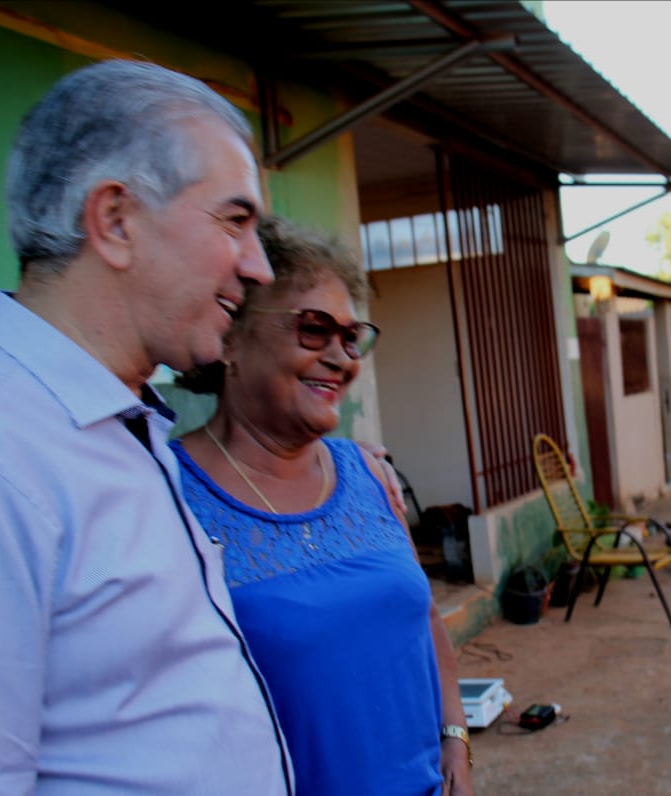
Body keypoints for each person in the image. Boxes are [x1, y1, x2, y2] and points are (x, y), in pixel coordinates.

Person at [0, 60, 292, 793]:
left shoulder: (115, 419)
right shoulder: (11, 448)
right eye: (235, 221)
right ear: (116, 221)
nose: (257, 267)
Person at [171, 214, 474, 796]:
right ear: (231, 336)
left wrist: (455, 736)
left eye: (351, 336)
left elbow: (424, 618)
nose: (342, 357)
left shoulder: (367, 475)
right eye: (313, 329)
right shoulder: (166, 497)